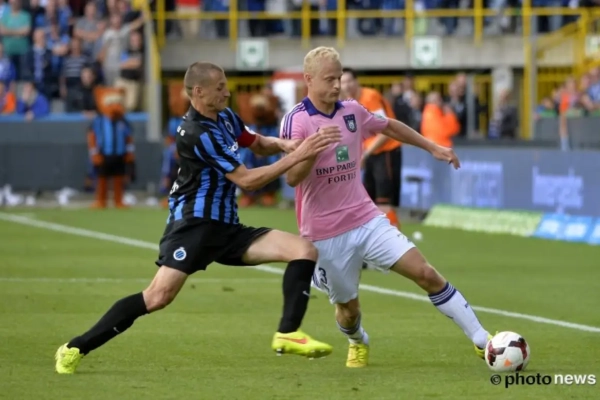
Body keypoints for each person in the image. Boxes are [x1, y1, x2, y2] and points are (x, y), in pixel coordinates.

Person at [55, 61, 341, 374]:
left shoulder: (226, 117)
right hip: (194, 226)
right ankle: (75, 348)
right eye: (220, 88)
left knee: (303, 250)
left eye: (225, 85)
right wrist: (298, 155)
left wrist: (285, 144)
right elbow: (247, 181)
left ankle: (288, 333)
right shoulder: (196, 133)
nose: (227, 93)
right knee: (157, 297)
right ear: (199, 92)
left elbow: (256, 143)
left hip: (227, 227)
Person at [280, 47, 493, 368]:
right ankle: (357, 340)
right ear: (309, 79)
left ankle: (483, 340)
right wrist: (313, 148)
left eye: (339, 78)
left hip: (366, 219)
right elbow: (292, 178)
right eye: (329, 79)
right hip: (324, 234)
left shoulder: (352, 111)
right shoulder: (296, 120)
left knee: (425, 273)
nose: (337, 85)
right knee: (348, 310)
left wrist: (432, 146)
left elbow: (389, 126)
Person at [340, 68, 402, 229]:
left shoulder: (370, 97)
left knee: (384, 201)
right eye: (343, 82)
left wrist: (364, 154)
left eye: (349, 81)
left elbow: (384, 131)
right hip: (370, 153)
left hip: (386, 151)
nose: (346, 85)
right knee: (370, 201)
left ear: (356, 81)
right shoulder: (348, 103)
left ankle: (395, 238)